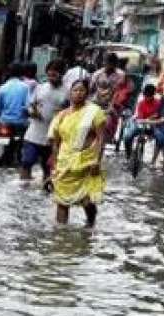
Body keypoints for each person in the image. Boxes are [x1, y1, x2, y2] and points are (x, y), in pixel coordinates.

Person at [48, 80, 106, 228]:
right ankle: (61, 235)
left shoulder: (94, 112)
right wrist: (54, 164)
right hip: (64, 163)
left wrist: (97, 161)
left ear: (87, 93)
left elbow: (101, 138)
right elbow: (55, 142)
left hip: (86, 162)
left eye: (82, 90)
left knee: (87, 200)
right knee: (61, 200)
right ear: (70, 92)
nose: (78, 93)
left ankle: (90, 225)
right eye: (75, 90)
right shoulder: (61, 115)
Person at [22, 60, 68, 181]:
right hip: (34, 133)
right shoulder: (40, 88)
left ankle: (45, 189)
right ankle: (23, 190)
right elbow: (31, 105)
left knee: (48, 168)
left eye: (54, 75)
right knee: (27, 162)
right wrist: (32, 112)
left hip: (52, 137)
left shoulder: (67, 93)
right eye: (49, 75)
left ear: (62, 74)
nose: (51, 78)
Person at [0, 62, 32, 165]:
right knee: (20, 153)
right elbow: (28, 106)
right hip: (21, 124)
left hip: (4, 123)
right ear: (22, 73)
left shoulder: (2, 88)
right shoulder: (25, 87)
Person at [126, 83, 159, 159]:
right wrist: (141, 120)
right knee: (128, 137)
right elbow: (140, 114)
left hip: (153, 125)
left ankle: (153, 160)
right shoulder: (141, 103)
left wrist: (150, 119)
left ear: (153, 95)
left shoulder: (158, 103)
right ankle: (129, 155)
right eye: (145, 95)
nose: (146, 97)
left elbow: (158, 114)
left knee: (159, 138)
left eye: (149, 96)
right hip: (141, 123)